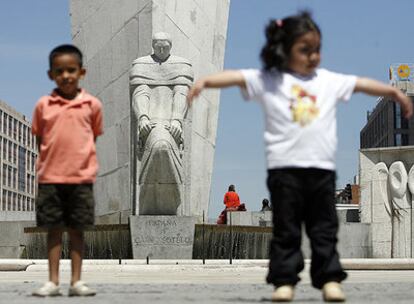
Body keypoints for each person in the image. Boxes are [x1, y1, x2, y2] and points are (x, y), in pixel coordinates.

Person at [187, 11, 412, 302]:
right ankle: (284, 281)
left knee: (324, 229)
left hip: (320, 171)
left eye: (317, 49)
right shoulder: (271, 80)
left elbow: (360, 84)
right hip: (285, 171)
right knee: (287, 229)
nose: (313, 56)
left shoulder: (327, 81)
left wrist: (394, 93)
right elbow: (237, 76)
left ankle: (329, 279)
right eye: (305, 49)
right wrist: (205, 82)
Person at [31, 45, 103, 297]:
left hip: (81, 179)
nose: (66, 76)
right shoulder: (43, 105)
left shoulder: (92, 105)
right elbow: (41, 138)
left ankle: (76, 281)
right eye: (59, 71)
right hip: (50, 178)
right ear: (51, 74)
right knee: (53, 230)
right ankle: (52, 281)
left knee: (77, 231)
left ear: (81, 72)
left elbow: (92, 137)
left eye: (71, 70)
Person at [130, 32, 193, 215]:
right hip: (150, 123)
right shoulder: (142, 65)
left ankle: (173, 201)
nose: (162, 49)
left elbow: (181, 94)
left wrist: (176, 119)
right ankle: (148, 201)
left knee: (165, 145)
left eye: (165, 46)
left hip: (173, 122)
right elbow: (141, 93)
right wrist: (142, 117)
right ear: (153, 46)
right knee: (159, 145)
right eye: (158, 46)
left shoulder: (181, 65)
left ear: (170, 46)